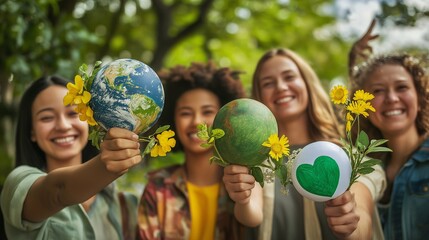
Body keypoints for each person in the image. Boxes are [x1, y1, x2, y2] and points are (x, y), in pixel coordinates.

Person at [224, 48, 387, 239]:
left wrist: (350, 223)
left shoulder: (348, 156)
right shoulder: (254, 159)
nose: (281, 87)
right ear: (259, 97)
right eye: (268, 83)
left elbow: (363, 219)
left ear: (307, 84)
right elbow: (251, 216)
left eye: (289, 77)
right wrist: (242, 199)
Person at [0, 75, 141, 239]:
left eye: (73, 113)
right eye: (46, 117)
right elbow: (57, 191)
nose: (63, 126)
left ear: (89, 120)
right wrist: (105, 166)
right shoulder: (18, 185)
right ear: (31, 131)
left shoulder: (126, 205)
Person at [137, 62, 263, 240]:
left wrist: (244, 199)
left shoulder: (243, 178)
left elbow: (254, 217)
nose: (197, 121)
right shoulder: (157, 187)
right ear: (172, 121)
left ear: (226, 119)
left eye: (207, 111)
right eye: (186, 113)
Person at [351, 53, 429, 240]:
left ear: (420, 98)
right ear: (364, 106)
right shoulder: (365, 170)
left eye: (401, 87)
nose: (391, 98)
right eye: (378, 91)